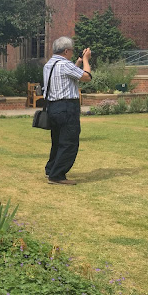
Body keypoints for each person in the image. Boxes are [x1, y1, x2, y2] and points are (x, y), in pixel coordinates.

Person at [43, 36, 92, 185]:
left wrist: (77, 63)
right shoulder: (65, 64)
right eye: (71, 50)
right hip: (67, 107)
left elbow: (67, 77)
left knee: (57, 141)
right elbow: (86, 77)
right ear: (66, 51)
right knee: (69, 142)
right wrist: (86, 60)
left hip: (53, 107)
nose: (72, 53)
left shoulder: (49, 64)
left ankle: (51, 169)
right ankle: (57, 175)